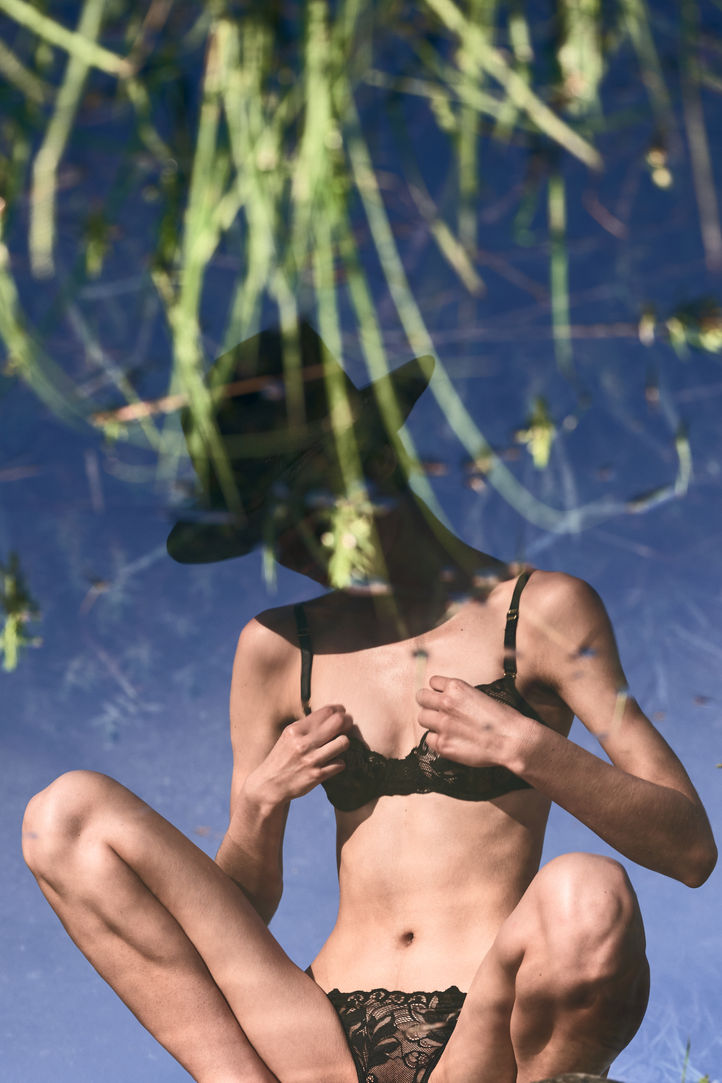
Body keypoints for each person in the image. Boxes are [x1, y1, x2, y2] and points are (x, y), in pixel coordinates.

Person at [22, 323, 717, 1083]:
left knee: (590, 890)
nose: (287, 547)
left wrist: (528, 747)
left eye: (297, 509)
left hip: (482, 1032)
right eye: (264, 529)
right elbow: (232, 918)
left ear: (377, 458)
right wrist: (258, 808)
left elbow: (689, 848)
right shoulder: (278, 648)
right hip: (312, 1034)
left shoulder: (543, 610)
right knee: (66, 814)